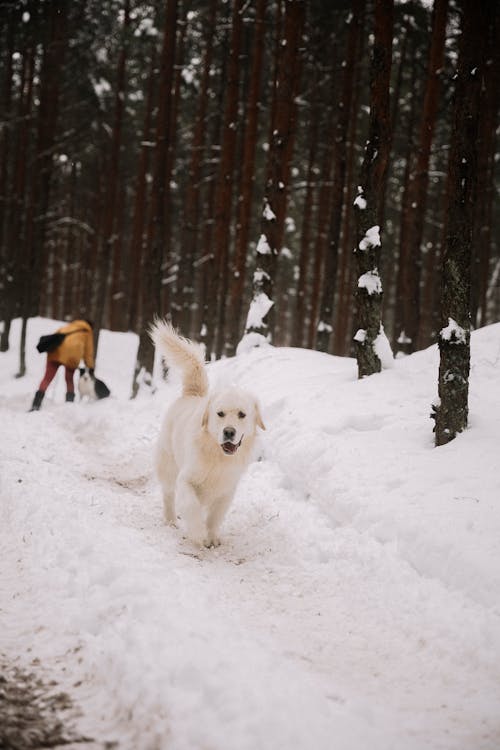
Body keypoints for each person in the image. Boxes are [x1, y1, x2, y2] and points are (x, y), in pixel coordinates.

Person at [30, 319, 95, 411]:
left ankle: (36, 404)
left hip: (55, 353)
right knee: (69, 380)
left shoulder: (69, 326)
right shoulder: (87, 331)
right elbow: (88, 352)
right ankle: (69, 405)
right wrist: (90, 366)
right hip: (71, 356)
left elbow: (55, 337)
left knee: (47, 378)